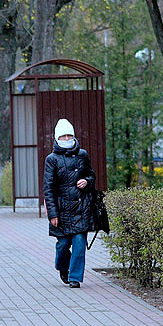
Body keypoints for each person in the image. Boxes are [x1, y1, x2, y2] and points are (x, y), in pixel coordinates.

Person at [43, 118, 96, 289]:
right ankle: (62, 267)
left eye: (69, 136)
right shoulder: (51, 159)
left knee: (79, 244)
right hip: (62, 210)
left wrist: (87, 181)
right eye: (63, 136)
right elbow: (48, 189)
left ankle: (75, 278)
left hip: (81, 208)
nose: (66, 139)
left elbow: (91, 175)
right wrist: (53, 214)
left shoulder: (82, 155)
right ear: (57, 138)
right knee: (63, 245)